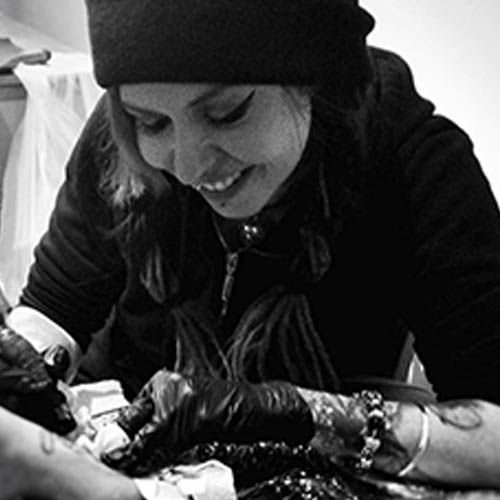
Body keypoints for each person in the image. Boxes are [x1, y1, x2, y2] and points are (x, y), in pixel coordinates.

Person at [2, 0, 500, 498]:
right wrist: (28, 364)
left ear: (309, 79)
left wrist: (300, 412)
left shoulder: (418, 165)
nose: (191, 167)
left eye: (226, 113)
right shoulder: (118, 145)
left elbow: (493, 433)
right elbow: (55, 308)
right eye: (152, 124)